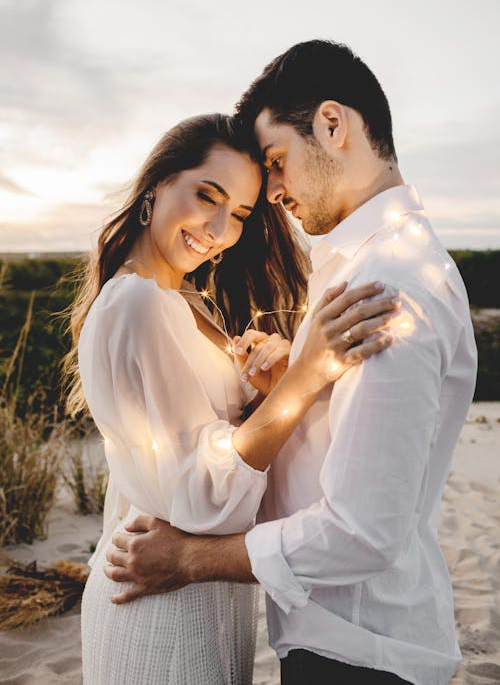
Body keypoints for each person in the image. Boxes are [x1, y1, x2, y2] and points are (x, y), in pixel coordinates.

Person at [106, 42, 478, 685]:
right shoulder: (365, 267)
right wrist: (300, 388)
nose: (273, 191)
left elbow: (362, 531)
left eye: (276, 162)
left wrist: (190, 560)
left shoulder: (390, 285)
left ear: (334, 125)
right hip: (337, 638)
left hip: (362, 652)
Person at [68, 112, 396, 684]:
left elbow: (190, 454)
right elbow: (200, 494)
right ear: (158, 184)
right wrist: (306, 375)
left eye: (240, 213)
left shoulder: (183, 301)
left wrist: (263, 390)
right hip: (158, 609)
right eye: (206, 195)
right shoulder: (138, 305)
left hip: (195, 597)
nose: (218, 227)